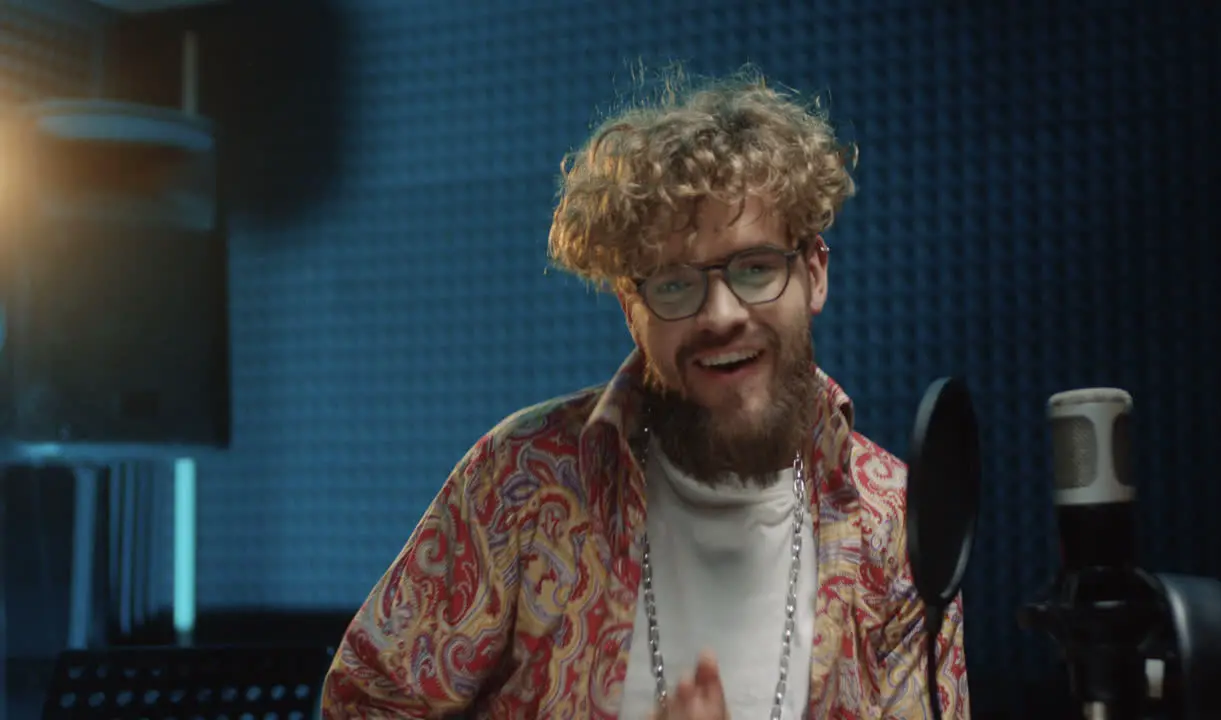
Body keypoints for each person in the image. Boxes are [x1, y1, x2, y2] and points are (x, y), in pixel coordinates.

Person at [320, 67, 970, 720]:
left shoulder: (892, 516)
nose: (720, 314)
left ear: (815, 274)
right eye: (675, 283)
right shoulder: (520, 477)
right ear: (632, 307)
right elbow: (363, 704)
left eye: (754, 268)